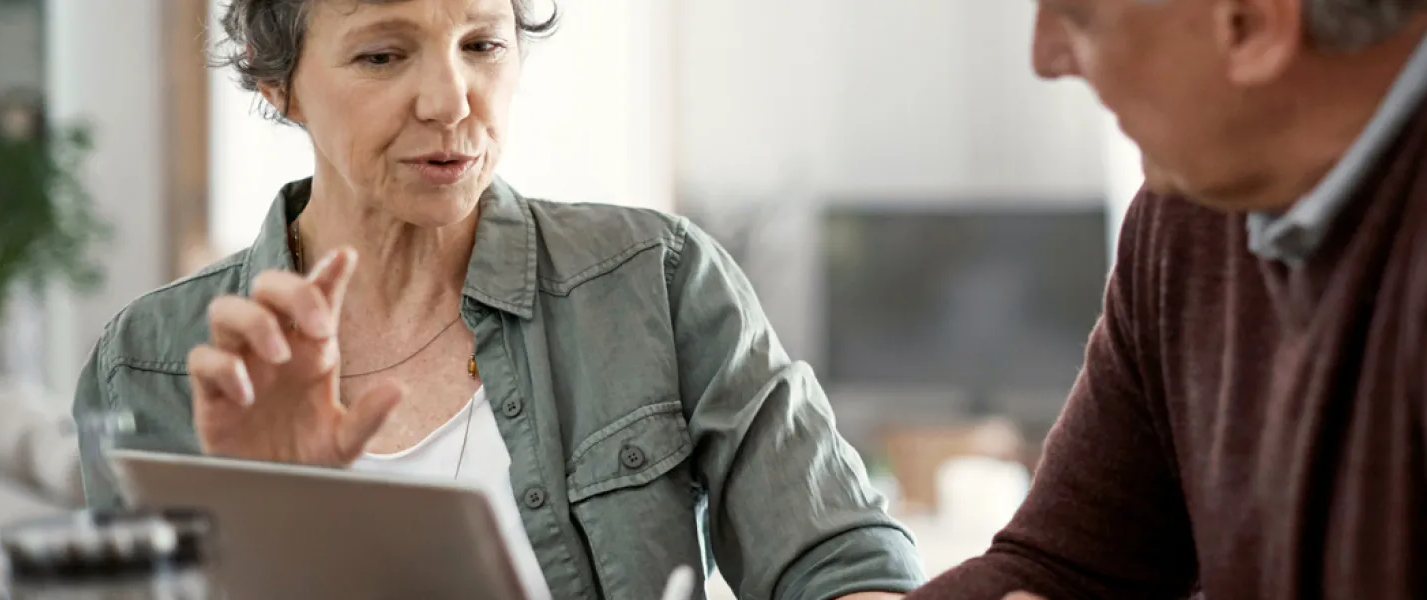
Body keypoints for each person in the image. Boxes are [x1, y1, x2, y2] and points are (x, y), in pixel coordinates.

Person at [70, 0, 925, 599]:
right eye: (382, 54)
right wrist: (271, 526)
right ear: (276, 83)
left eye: (482, 44)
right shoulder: (149, 367)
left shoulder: (655, 281)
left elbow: (842, 562)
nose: (450, 102)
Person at [907, 0, 1427, 599]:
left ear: (1251, 24)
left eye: (1079, 17)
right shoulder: (1197, 203)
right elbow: (1065, 570)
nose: (1045, 58)